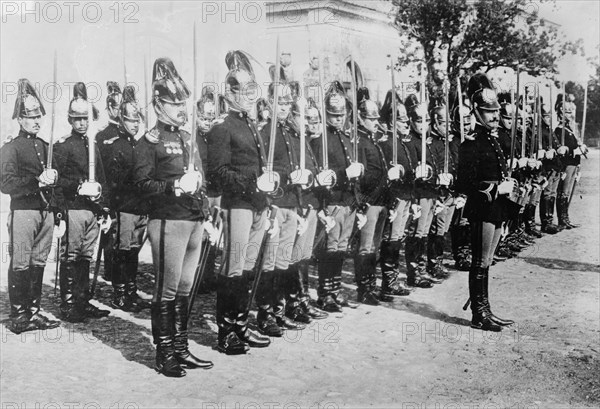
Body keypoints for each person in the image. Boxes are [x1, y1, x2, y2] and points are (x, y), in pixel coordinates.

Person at [133, 57, 213, 377]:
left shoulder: (187, 137)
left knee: (185, 287)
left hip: (193, 220)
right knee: (166, 289)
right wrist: (174, 186)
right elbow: (141, 185)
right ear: (159, 105)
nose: (181, 108)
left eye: (183, 102)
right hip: (168, 220)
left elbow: (202, 182)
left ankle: (181, 347)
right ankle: (164, 351)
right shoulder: (149, 142)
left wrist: (206, 214)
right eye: (174, 102)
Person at [207, 50, 273, 355]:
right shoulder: (223, 127)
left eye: (251, 90)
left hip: (258, 204)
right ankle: (227, 332)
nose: (247, 96)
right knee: (233, 268)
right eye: (240, 91)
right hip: (238, 204)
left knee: (248, 267)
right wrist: (251, 184)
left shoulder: (251, 126)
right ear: (229, 93)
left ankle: (241, 325)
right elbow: (218, 172)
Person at [456, 73, 517, 332]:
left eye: (495, 111)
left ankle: (485, 308)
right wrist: (496, 188)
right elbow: (466, 185)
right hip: (483, 208)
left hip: (497, 208)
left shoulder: (493, 139)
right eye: (488, 112)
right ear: (476, 112)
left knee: (488, 260)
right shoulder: (471, 144)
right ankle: (479, 313)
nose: (494, 116)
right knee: (480, 261)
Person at [0, 78, 61, 334]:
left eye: (38, 116)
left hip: (45, 212)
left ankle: (34, 312)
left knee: (38, 261)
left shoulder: (46, 148)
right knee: (21, 262)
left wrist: (57, 210)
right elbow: (6, 183)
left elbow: (57, 184)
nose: (36, 121)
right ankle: (19, 316)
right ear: (19, 119)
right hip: (24, 212)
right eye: (30, 116)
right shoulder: (11, 148)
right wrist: (37, 181)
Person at [54, 82, 111, 323]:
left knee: (86, 257)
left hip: (92, 210)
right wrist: (78, 186)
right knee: (71, 255)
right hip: (74, 208)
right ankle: (68, 305)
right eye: (77, 119)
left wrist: (105, 206)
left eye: (85, 119)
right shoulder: (63, 146)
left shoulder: (92, 145)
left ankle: (82, 301)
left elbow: (102, 176)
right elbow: (56, 180)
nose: (82, 123)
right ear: (70, 120)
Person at [256, 82, 307, 335]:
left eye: (287, 103)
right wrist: (288, 177)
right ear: (269, 103)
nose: (284, 108)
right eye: (279, 103)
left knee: (283, 262)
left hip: (290, 203)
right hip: (275, 203)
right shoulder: (265, 132)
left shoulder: (290, 132)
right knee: (269, 261)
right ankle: (264, 314)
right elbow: (264, 170)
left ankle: (279, 310)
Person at [310, 81, 364, 312]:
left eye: (342, 115)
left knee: (342, 248)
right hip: (332, 199)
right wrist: (344, 174)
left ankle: (335, 289)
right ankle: (325, 293)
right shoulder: (319, 140)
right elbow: (323, 174)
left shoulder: (348, 137)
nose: (338, 119)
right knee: (330, 249)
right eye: (333, 115)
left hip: (349, 200)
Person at [101, 85, 149, 312]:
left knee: (133, 251)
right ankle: (120, 294)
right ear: (121, 120)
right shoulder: (115, 146)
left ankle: (131, 291)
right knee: (122, 251)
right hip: (124, 208)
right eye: (131, 121)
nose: (135, 124)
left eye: (137, 121)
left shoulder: (138, 145)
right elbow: (113, 182)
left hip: (139, 207)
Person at [378, 91, 415, 298]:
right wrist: (391, 201)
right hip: (395, 198)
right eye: (401, 121)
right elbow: (385, 176)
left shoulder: (401, 142)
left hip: (406, 196)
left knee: (398, 238)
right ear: (392, 122)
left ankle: (393, 278)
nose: (406, 124)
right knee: (391, 239)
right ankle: (388, 282)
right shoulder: (386, 143)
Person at [354, 88, 388, 305]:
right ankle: (364, 289)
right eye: (370, 118)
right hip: (369, 201)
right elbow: (361, 176)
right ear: (360, 118)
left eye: (376, 118)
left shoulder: (373, 140)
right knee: (365, 248)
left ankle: (371, 285)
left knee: (374, 247)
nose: (375, 122)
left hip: (381, 200)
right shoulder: (359, 143)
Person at [403, 95, 440, 288]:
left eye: (426, 120)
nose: (423, 124)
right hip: (418, 193)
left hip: (431, 193)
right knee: (416, 233)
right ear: (411, 121)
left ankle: (422, 268)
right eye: (419, 120)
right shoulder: (410, 142)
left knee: (425, 232)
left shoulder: (430, 141)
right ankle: (413, 272)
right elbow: (410, 168)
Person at [95, 81, 123, 282]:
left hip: (125, 194)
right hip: (110, 193)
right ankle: (111, 271)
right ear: (110, 109)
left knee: (125, 236)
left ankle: (120, 272)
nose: (119, 111)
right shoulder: (102, 136)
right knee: (110, 234)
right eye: (116, 107)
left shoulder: (127, 135)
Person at [555, 93, 587, 229]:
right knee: (563, 191)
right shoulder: (559, 130)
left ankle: (566, 217)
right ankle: (562, 219)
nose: (570, 114)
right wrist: (574, 151)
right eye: (567, 112)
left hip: (573, 164)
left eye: (570, 112)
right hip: (566, 164)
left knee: (567, 192)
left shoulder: (570, 130)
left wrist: (581, 149)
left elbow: (575, 145)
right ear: (561, 114)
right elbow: (563, 150)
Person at [538, 103, 562, 234]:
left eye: (549, 116)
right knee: (547, 194)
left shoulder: (549, 130)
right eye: (546, 116)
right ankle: (545, 222)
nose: (548, 118)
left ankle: (550, 220)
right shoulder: (540, 131)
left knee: (552, 194)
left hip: (555, 166)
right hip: (547, 167)